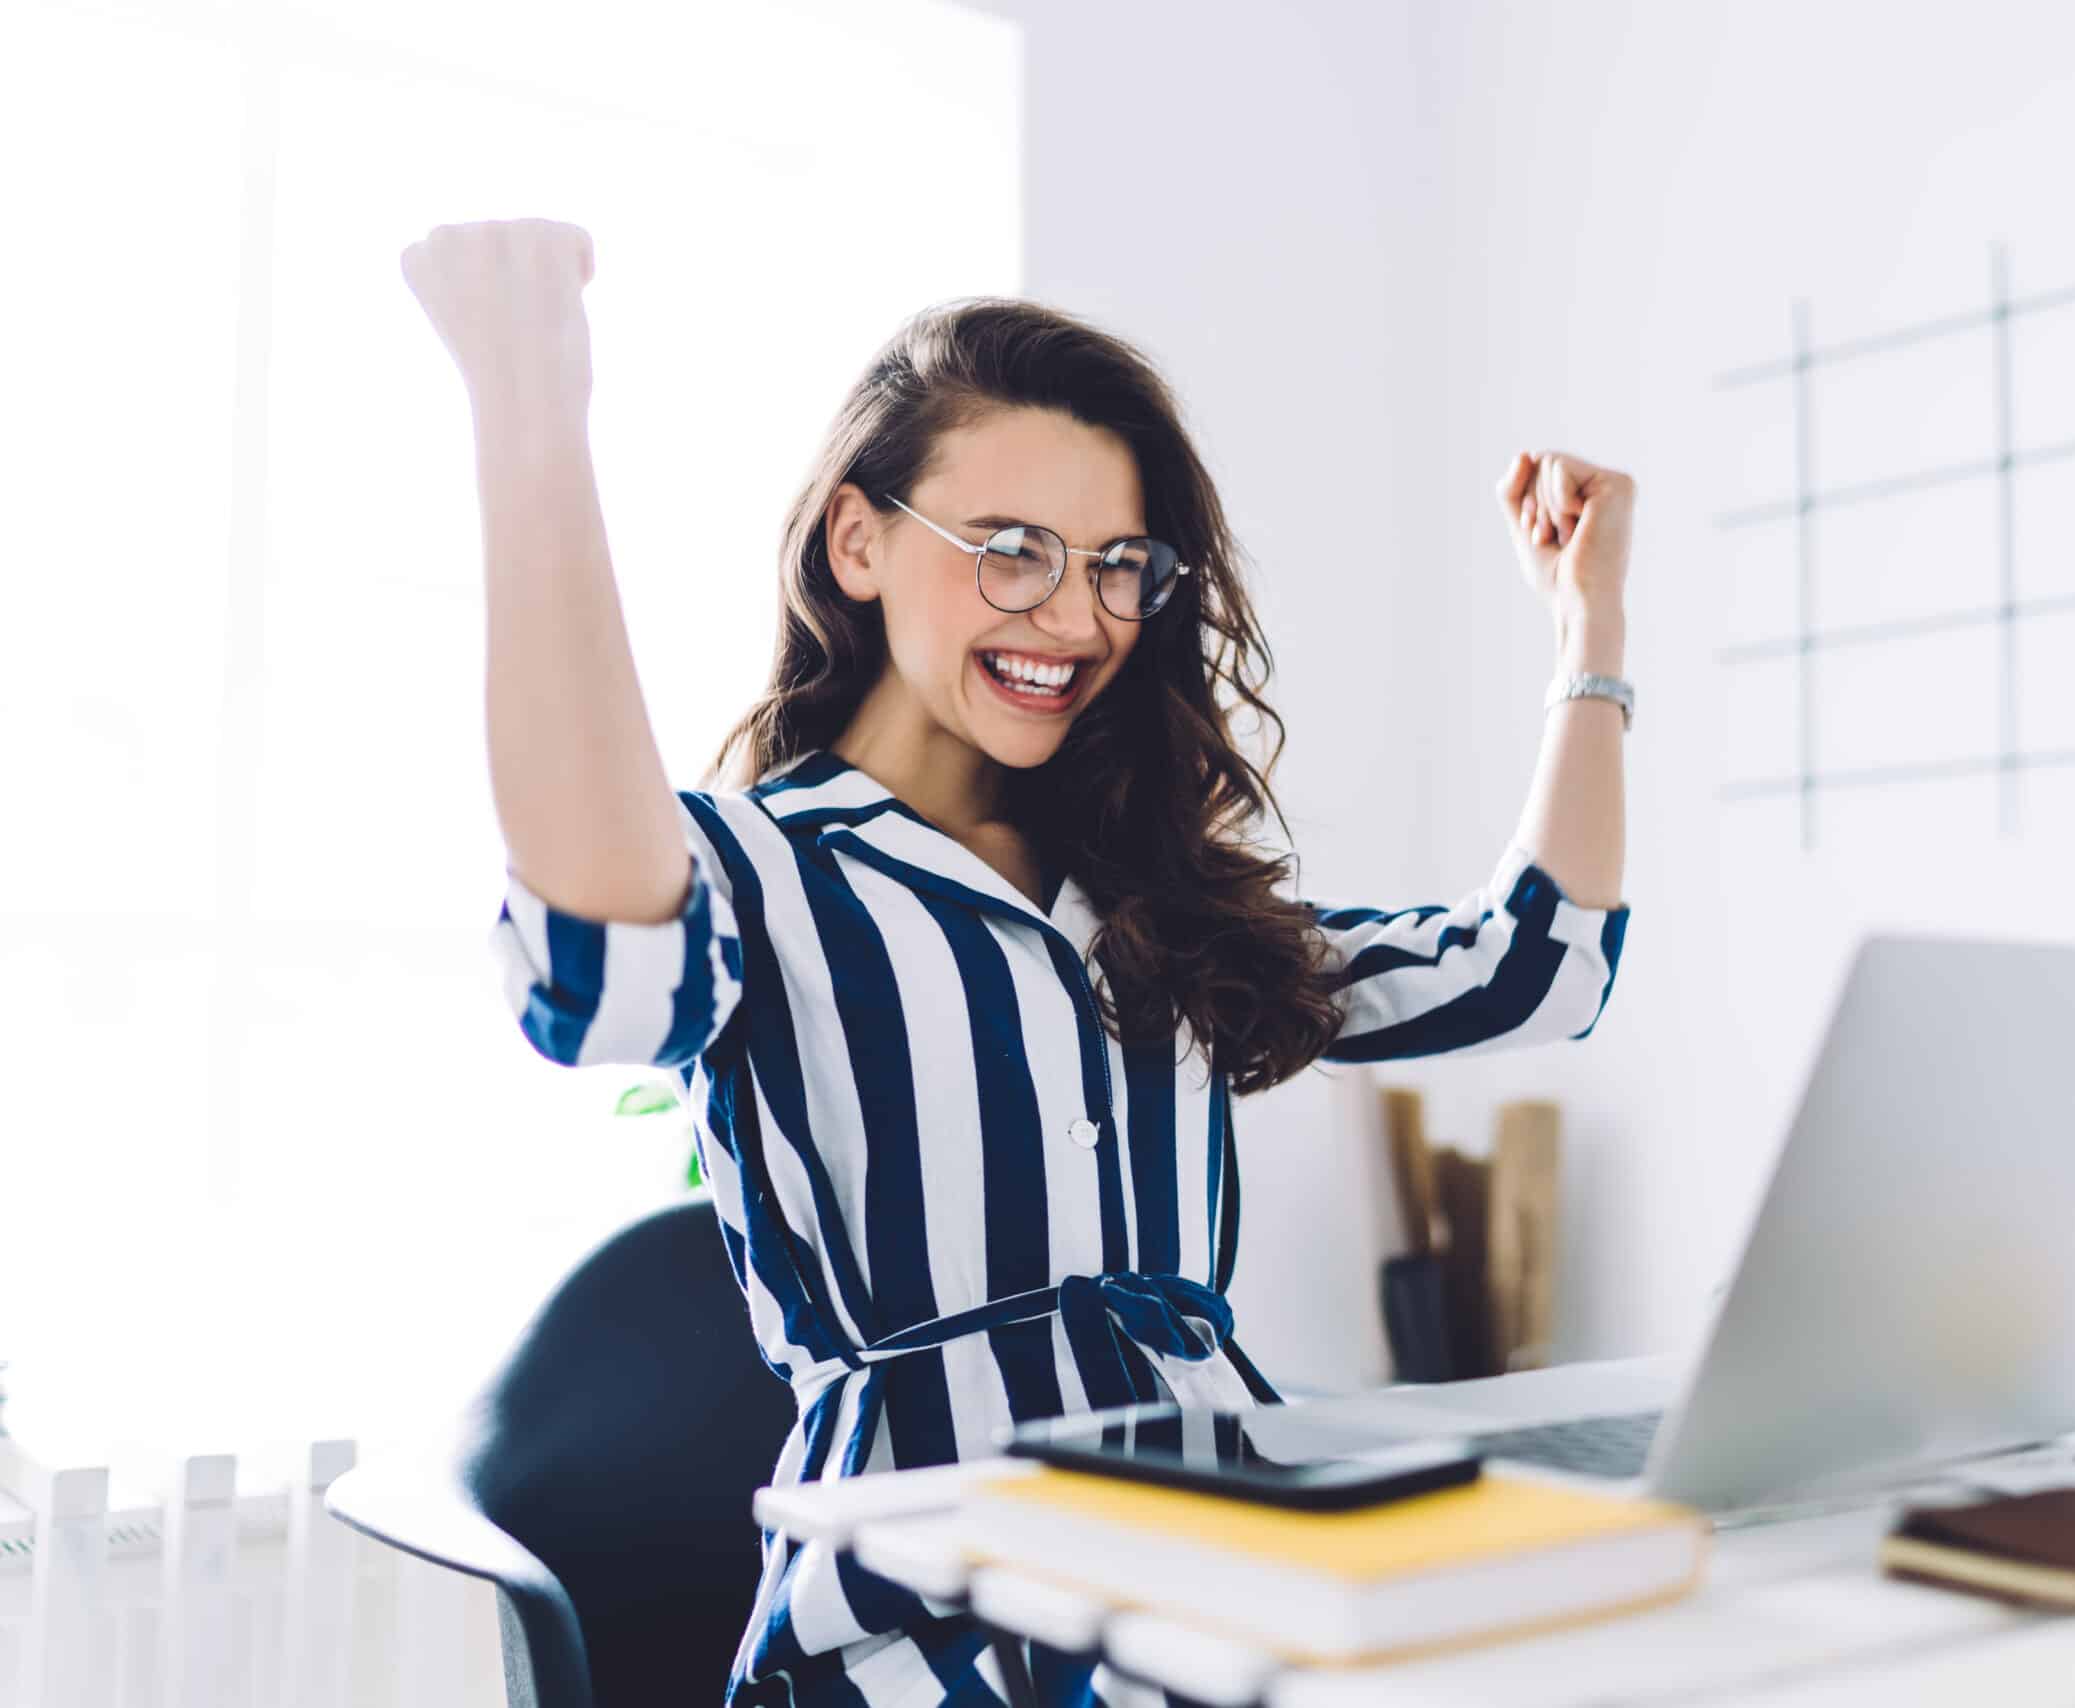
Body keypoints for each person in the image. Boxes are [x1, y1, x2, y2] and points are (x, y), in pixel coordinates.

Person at [401, 216, 1636, 1707]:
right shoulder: (758, 869)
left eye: (1119, 565)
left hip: (1225, 1564)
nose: (1075, 617)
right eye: (1011, 553)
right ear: (857, 541)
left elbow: (1533, 970)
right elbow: (600, 970)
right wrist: (533, 410)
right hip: (929, 1599)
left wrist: (1592, 629)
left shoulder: (1158, 895)